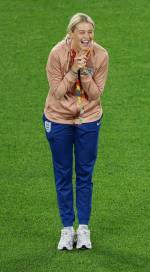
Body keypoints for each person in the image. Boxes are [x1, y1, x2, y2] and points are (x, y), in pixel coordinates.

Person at [42, 13, 109, 250]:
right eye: (81, 32)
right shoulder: (56, 54)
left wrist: (85, 73)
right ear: (71, 33)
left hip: (88, 119)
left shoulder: (101, 55)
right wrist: (72, 70)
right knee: (63, 175)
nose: (87, 37)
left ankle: (83, 229)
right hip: (59, 119)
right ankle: (66, 229)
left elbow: (96, 94)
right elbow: (58, 93)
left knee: (84, 174)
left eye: (90, 32)